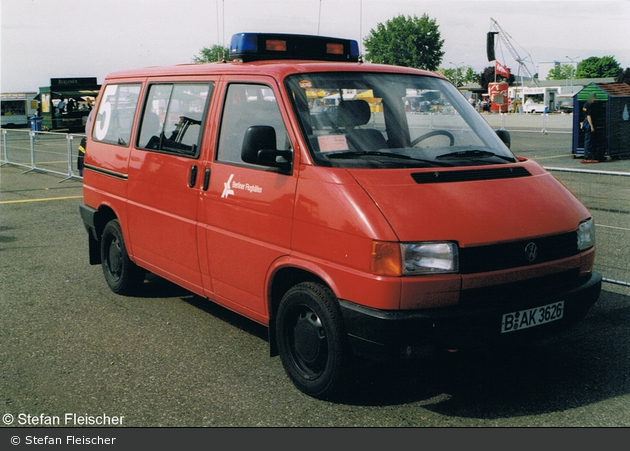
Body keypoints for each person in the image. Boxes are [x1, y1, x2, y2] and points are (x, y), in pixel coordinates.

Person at [580, 93, 609, 163]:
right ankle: (587, 155)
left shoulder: (585, 104)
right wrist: (592, 126)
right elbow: (588, 116)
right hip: (588, 123)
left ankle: (588, 154)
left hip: (585, 122)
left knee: (588, 139)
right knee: (588, 140)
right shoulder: (589, 105)